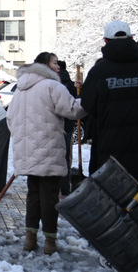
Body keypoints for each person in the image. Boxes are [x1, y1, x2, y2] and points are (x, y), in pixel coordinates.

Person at [80, 21, 138, 272]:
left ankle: (124, 260)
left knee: (120, 210)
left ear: (105, 42)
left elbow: (88, 106)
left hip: (115, 159)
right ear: (132, 39)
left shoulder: (99, 72)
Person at [6, 52, 86, 255]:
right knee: (50, 195)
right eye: (55, 63)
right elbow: (73, 110)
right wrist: (86, 96)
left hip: (27, 150)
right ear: (44, 65)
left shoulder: (20, 89)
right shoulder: (53, 86)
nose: (58, 67)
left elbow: (10, 119)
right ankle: (50, 240)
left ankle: (30, 238)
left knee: (33, 194)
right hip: (49, 148)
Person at [56, 60, 78, 196]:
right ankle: (65, 185)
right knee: (66, 155)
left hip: (56, 124)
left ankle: (58, 185)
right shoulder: (70, 83)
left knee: (56, 155)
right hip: (68, 124)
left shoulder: (56, 84)